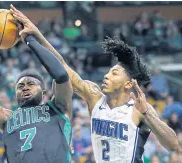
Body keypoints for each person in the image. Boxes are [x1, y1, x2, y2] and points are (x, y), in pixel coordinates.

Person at [9, 4, 179, 163]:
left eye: (114, 73)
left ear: (128, 84)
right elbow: (63, 66)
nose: (106, 75)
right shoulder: (94, 97)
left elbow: (173, 145)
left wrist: (147, 115)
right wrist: (36, 35)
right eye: (108, 71)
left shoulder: (139, 109)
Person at [0, 20, 73, 163]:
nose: (25, 87)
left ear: (44, 93)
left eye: (31, 84)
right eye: (20, 86)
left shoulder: (57, 108)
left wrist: (29, 39)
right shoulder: (7, 118)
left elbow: (61, 75)